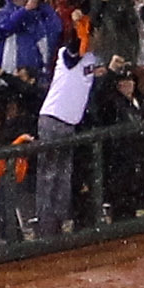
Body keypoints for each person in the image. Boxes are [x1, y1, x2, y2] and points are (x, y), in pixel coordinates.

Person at [33, 46, 97, 241]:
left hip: (70, 124)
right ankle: (45, 227)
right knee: (49, 175)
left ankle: (60, 224)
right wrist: (81, 26)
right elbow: (73, 49)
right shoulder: (66, 53)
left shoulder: (93, 57)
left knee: (63, 174)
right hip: (52, 119)